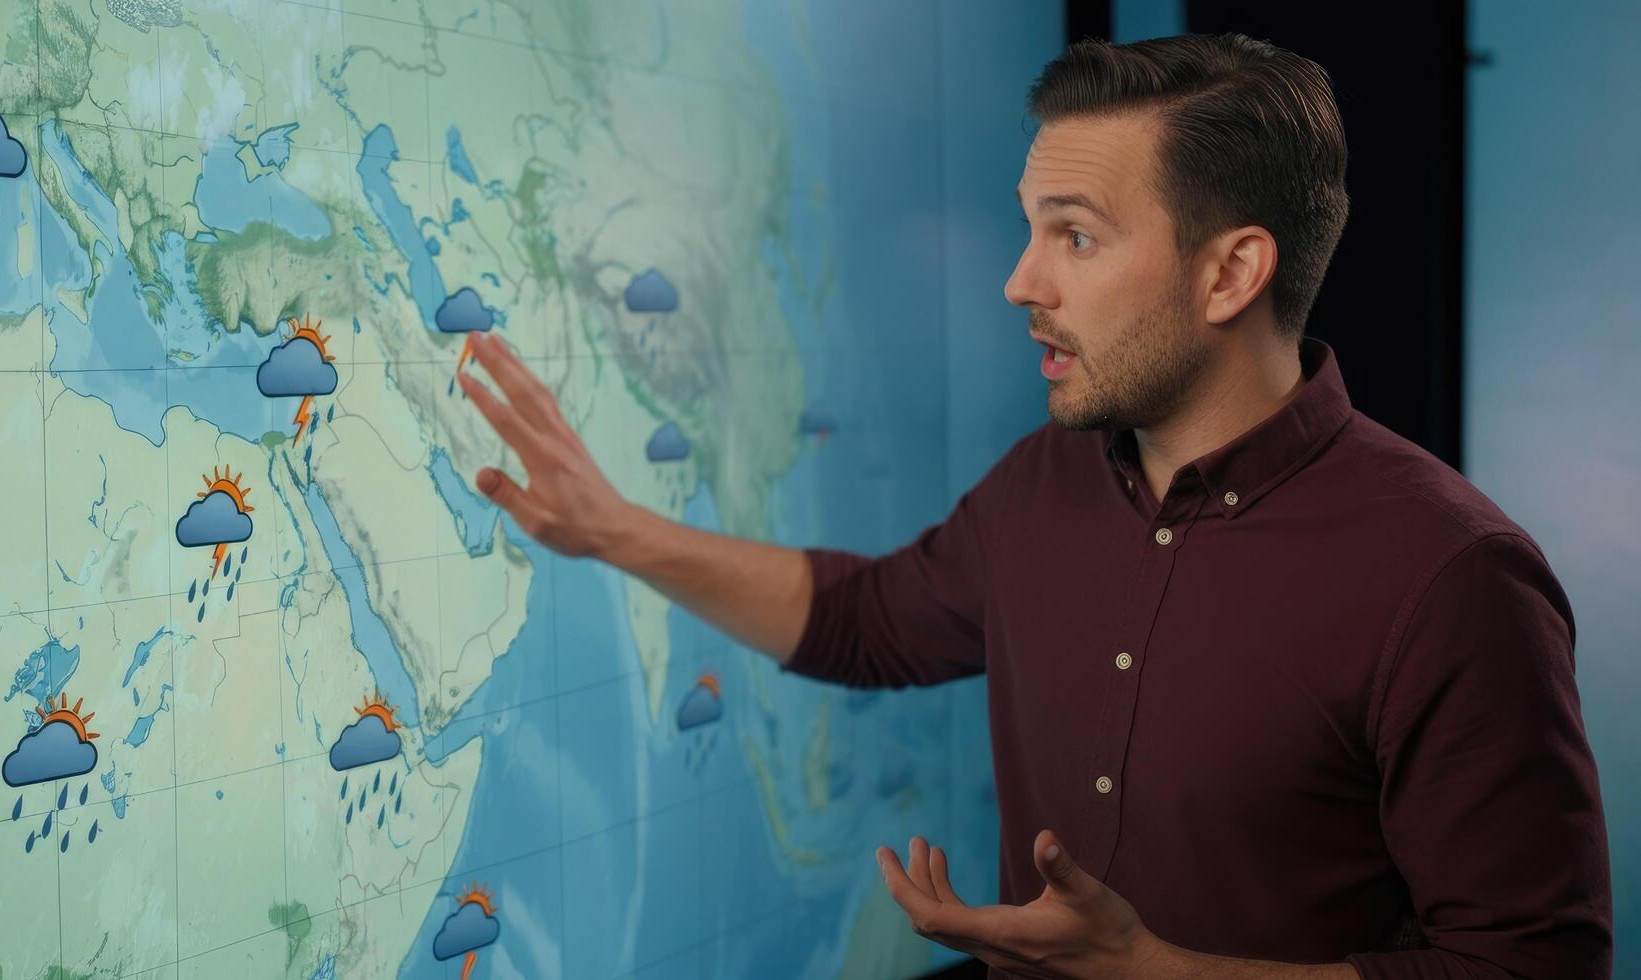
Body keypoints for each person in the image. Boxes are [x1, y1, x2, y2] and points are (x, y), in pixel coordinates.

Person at [454, 31, 1613, 980]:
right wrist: (609, 526)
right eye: (1030, 226)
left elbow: (1527, 966)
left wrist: (1158, 971)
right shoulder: (1043, 483)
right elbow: (865, 618)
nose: (1021, 280)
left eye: (1075, 235)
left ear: (1231, 273)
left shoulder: (1451, 574)